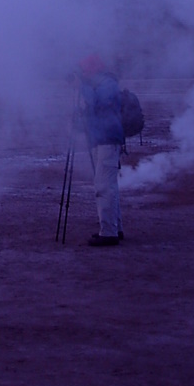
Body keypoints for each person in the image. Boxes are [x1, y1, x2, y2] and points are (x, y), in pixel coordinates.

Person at [77, 53, 125, 247]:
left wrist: (82, 86)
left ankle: (109, 233)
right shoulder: (99, 84)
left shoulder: (108, 84)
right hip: (100, 141)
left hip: (107, 141)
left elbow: (96, 102)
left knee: (103, 187)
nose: (83, 72)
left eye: (84, 69)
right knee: (108, 187)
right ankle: (115, 228)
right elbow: (91, 111)